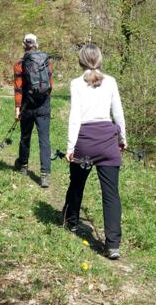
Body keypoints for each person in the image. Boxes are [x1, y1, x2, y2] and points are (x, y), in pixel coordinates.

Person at [62, 43, 126, 260]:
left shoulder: (75, 84)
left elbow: (75, 117)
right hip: (108, 141)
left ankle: (70, 221)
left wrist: (70, 147)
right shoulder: (111, 82)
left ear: (81, 61)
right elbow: (118, 113)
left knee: (77, 183)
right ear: (100, 60)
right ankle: (113, 245)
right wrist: (122, 139)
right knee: (111, 193)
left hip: (85, 142)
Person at [13, 34, 54, 188]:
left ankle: (23, 166)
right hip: (43, 105)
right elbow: (50, 85)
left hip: (27, 105)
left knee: (25, 136)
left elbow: (18, 88)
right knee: (44, 139)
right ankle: (45, 176)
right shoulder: (47, 61)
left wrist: (18, 108)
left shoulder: (19, 64)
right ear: (36, 44)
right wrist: (45, 102)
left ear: (24, 45)